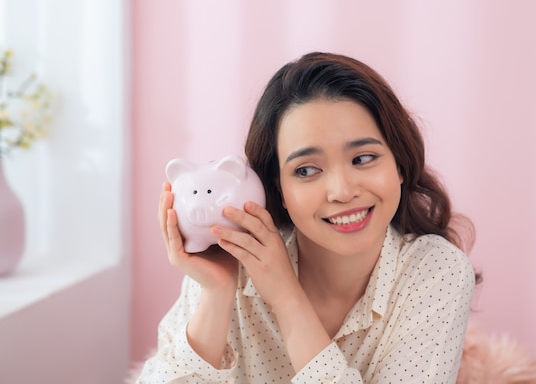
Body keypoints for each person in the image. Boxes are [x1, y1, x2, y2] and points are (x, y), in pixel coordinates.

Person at [137, 52, 478, 383]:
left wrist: (287, 299)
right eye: (307, 169)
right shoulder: (230, 260)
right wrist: (216, 293)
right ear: (279, 189)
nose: (342, 191)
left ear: (400, 165)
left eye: (363, 158)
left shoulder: (435, 270)